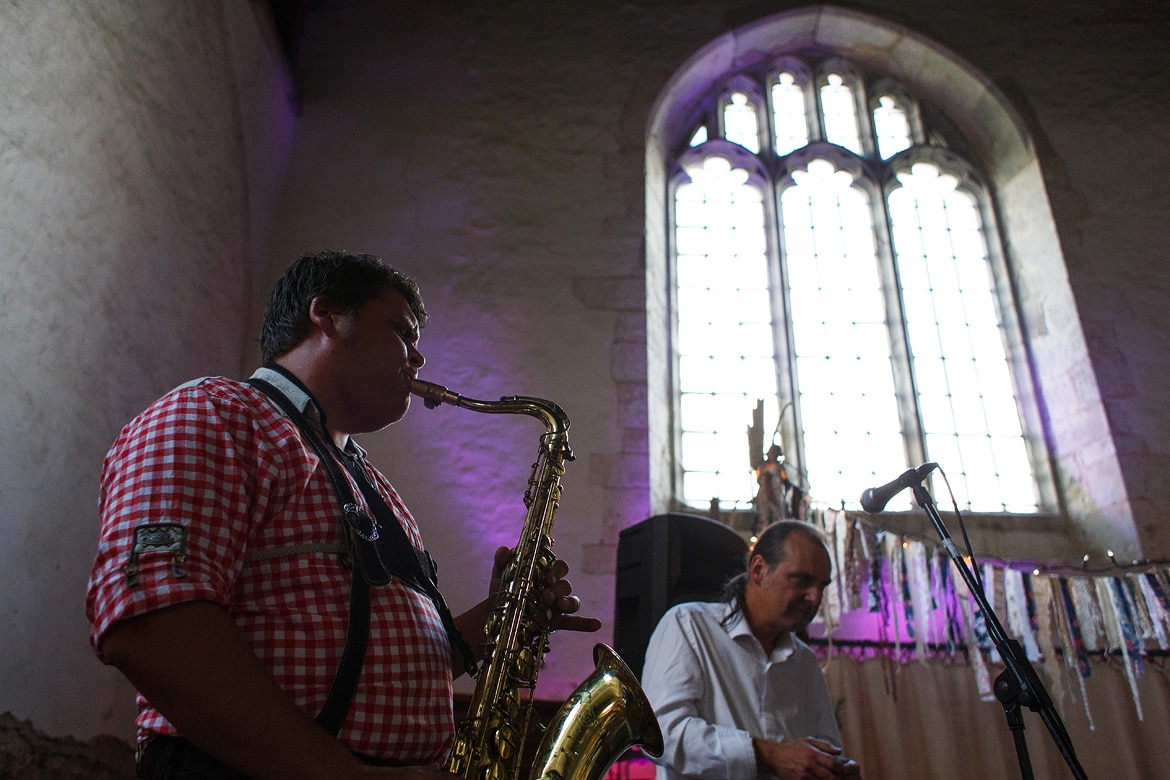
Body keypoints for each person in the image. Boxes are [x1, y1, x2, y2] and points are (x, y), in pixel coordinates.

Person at [86, 250, 600, 779]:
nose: (419, 358)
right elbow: (148, 623)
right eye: (403, 331)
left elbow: (375, 671)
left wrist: (502, 617)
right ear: (327, 314)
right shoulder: (216, 413)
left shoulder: (368, 481)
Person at [641, 520, 862, 780]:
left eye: (822, 586)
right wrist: (770, 756)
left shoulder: (805, 661)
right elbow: (659, 735)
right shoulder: (688, 625)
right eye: (801, 580)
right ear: (758, 570)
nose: (815, 597)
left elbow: (824, 750)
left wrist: (833, 770)